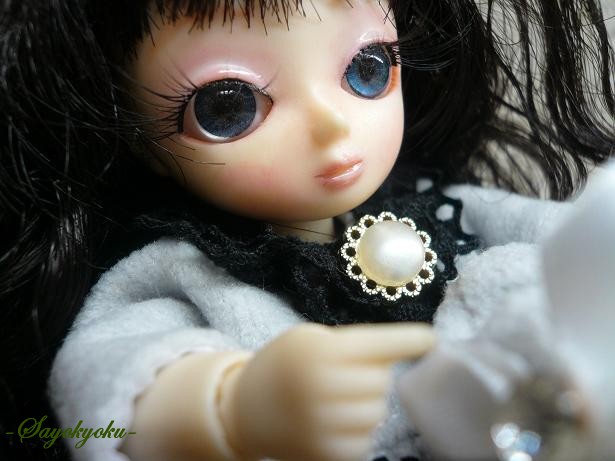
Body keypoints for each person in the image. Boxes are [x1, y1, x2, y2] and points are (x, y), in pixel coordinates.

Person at [0, 1, 612, 461]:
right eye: (229, 105)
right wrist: (232, 408)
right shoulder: (187, 274)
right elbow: (100, 392)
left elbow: (573, 241)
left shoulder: (454, 210)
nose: (330, 124)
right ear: (141, 141)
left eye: (368, 68)